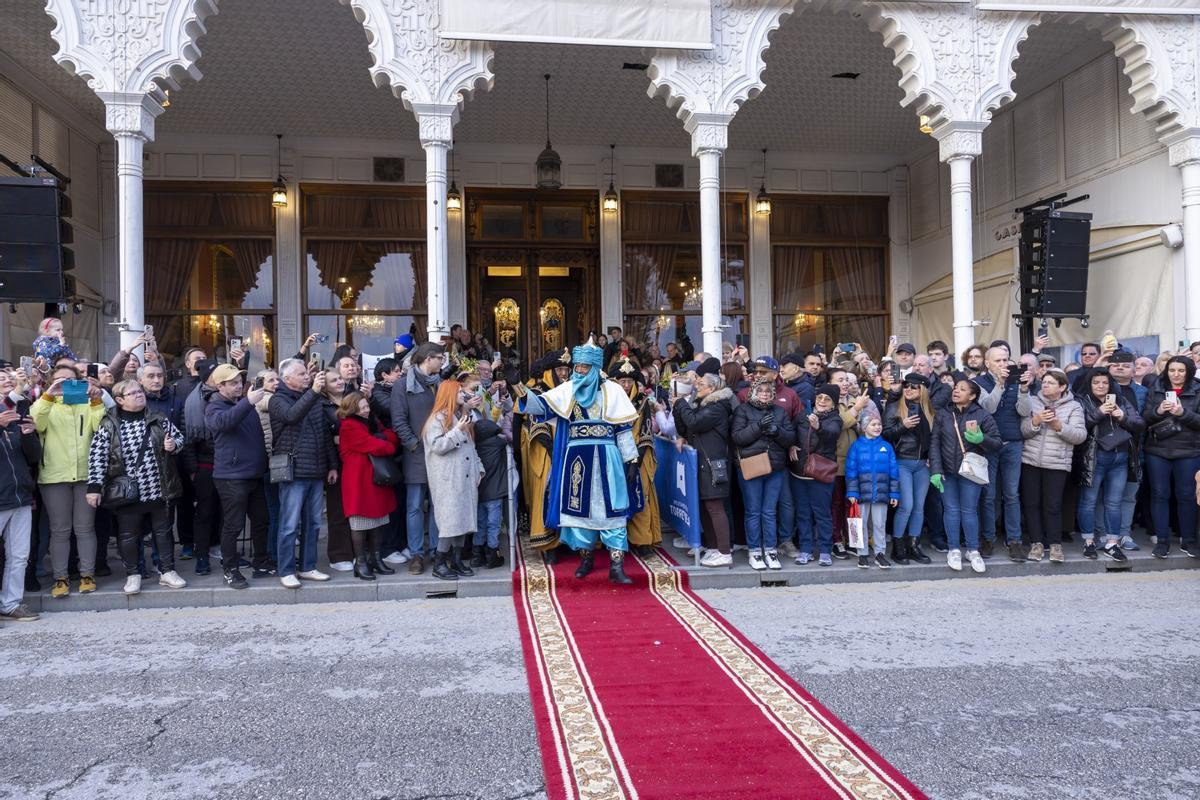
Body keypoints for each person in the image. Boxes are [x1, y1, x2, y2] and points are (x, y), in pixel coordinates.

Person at [515, 340, 641, 584]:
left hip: (608, 457)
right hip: (577, 461)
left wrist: (632, 460)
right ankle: (586, 559)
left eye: (584, 367)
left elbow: (623, 429)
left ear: (594, 368)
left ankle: (616, 566)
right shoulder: (568, 389)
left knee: (612, 507)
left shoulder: (613, 391)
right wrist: (517, 386)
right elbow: (539, 407)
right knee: (579, 509)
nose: (578, 371)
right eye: (577, 366)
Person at [85, 378, 187, 595]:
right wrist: (94, 487)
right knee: (129, 535)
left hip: (159, 487)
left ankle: (167, 571)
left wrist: (173, 445)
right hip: (128, 491)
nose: (139, 395)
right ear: (120, 400)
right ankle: (133, 574)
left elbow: (179, 438)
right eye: (132, 393)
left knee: (163, 532)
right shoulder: (109, 424)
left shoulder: (158, 418)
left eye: (139, 391)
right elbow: (97, 456)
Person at [33, 366, 105, 598]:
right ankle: (60, 578)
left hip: (86, 476)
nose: (66, 384)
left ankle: (87, 575)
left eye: (72, 380)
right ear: (51, 382)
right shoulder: (46, 404)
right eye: (60, 380)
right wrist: (48, 395)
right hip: (54, 477)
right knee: (59, 530)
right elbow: (36, 423)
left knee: (85, 528)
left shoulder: (88, 403)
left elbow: (101, 429)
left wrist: (96, 401)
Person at [269, 358, 337, 588]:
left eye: (306, 373)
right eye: (301, 374)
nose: (307, 377)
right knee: (290, 525)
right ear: (286, 379)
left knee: (314, 523)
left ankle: (308, 566)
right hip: (294, 470)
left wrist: (332, 465)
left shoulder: (312, 397)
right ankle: (286, 570)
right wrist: (314, 392)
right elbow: (291, 416)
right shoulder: (277, 399)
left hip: (316, 469)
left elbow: (324, 434)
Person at [204, 364, 272, 589]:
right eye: (233, 383)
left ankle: (261, 562)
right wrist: (248, 402)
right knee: (233, 526)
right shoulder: (214, 407)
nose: (239, 386)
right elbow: (224, 423)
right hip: (231, 477)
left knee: (261, 521)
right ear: (220, 386)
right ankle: (230, 570)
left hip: (254, 474)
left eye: (240, 382)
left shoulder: (244, 405)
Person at [929, 376, 1001, 574]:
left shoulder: (983, 415)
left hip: (971, 472)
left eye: (962, 389)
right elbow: (934, 444)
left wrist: (981, 439)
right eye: (956, 388)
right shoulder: (943, 414)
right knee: (951, 510)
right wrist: (936, 471)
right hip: (947, 472)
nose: (956, 391)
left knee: (969, 511)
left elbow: (997, 443)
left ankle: (972, 550)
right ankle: (953, 549)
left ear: (972, 396)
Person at [1075, 369, 1144, 562]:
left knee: (1114, 502)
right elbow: (1080, 426)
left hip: (1120, 457)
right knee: (1088, 501)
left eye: (1105, 383)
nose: (1101, 386)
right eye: (1096, 382)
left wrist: (1123, 417)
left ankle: (1112, 543)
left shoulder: (1121, 400)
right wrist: (1099, 413)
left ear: (1110, 384)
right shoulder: (1082, 401)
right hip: (1094, 457)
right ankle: (1088, 542)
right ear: (1090, 384)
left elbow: (1140, 424)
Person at [1019, 370, 1086, 563]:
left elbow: (1080, 436)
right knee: (1031, 504)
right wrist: (1035, 421)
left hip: (1057, 462)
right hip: (1030, 460)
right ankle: (1037, 543)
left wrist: (1058, 426)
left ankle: (1055, 544)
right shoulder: (1032, 401)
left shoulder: (1074, 406)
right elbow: (1022, 431)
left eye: (1050, 383)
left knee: (1053, 505)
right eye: (1044, 382)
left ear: (1062, 386)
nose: (1045, 385)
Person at [973, 346, 1034, 560]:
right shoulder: (978, 383)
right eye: (998, 360)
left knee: (1011, 494)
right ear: (987, 363)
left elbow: (1025, 411)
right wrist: (999, 384)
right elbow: (988, 408)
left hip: (1013, 443)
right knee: (989, 495)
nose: (1003, 364)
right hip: (988, 444)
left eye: (1006, 360)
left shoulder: (1017, 381)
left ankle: (1014, 540)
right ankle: (988, 538)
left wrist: (1024, 390)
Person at [731, 377, 796, 571]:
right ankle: (754, 551)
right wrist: (758, 427)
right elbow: (738, 437)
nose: (765, 394)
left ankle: (770, 549)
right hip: (751, 465)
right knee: (753, 511)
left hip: (775, 468)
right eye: (761, 391)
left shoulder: (780, 411)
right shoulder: (743, 410)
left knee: (769, 511)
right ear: (753, 392)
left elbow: (790, 438)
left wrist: (777, 432)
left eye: (768, 391)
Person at [423, 380, 485, 580]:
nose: (463, 395)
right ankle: (439, 563)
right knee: (450, 521)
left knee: (462, 520)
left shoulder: (459, 416)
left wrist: (479, 470)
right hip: (447, 480)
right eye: (459, 392)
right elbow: (438, 446)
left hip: (465, 477)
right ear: (449, 394)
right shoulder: (436, 419)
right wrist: (457, 430)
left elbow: (471, 446)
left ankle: (457, 561)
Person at [391, 342, 445, 574]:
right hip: (416, 454)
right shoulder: (403, 385)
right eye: (440, 358)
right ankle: (416, 554)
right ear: (428, 358)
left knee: (437, 505)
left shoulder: (440, 383)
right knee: (414, 506)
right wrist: (414, 445)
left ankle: (436, 551)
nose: (442, 362)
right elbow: (399, 421)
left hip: (440, 453)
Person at [673, 372, 735, 567]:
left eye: (701, 384)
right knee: (705, 507)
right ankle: (713, 547)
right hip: (701, 464)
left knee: (715, 507)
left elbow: (694, 422)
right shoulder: (702, 405)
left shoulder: (717, 407)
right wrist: (678, 409)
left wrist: (681, 403)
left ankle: (724, 552)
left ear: (712, 388)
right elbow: (686, 428)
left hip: (713, 465)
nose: (696, 387)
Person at [337, 391, 400, 580]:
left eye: (367, 406)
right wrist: (385, 442)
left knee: (378, 520)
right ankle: (361, 562)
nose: (366, 410)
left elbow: (391, 435)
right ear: (352, 409)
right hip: (359, 481)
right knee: (359, 523)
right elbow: (377, 445)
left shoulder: (370, 421)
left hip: (373, 479)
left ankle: (376, 559)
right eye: (362, 407)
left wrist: (383, 438)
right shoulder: (349, 425)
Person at [1142, 355, 1200, 558]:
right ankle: (1162, 541)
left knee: (1187, 496)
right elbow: (1145, 419)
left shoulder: (1198, 389)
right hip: (1158, 449)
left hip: (1189, 450)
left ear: (1189, 372)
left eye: (1181, 370)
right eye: (1172, 370)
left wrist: (1183, 413)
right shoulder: (1156, 387)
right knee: (1159, 494)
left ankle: (1188, 540)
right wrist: (1158, 410)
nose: (1176, 374)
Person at [517, 349, 571, 560]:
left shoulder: (571, 390)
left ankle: (568, 540)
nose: (564, 374)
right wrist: (552, 448)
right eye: (560, 369)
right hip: (546, 450)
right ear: (550, 371)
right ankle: (549, 544)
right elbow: (536, 422)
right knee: (546, 493)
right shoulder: (538, 391)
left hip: (569, 448)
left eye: (566, 369)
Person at [1095, 351, 1148, 550]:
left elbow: (1146, 419)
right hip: (1103, 449)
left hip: (1134, 449)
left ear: (1135, 370)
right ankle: (1103, 533)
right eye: (1115, 364)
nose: (1120, 367)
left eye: (1126, 365)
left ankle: (1124, 534)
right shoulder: (1098, 388)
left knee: (1128, 495)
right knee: (1102, 495)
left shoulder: (1143, 392)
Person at [882, 373, 935, 565]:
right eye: (906, 386)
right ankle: (898, 548)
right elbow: (885, 435)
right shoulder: (895, 407)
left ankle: (913, 545)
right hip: (902, 461)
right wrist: (903, 426)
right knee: (907, 506)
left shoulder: (929, 409)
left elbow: (934, 438)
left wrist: (932, 459)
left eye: (914, 386)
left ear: (923, 390)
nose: (909, 389)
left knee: (919, 507)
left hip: (923, 464)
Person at [611, 356, 661, 555]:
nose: (626, 385)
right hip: (613, 457)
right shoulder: (608, 401)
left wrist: (635, 462)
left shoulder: (642, 402)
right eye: (622, 381)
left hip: (639, 454)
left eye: (629, 381)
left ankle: (642, 541)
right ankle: (614, 542)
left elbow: (646, 434)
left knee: (641, 496)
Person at [0, 397, 42, 622]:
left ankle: (10, 604)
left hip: (20, 498)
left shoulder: (11, 419)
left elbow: (34, 458)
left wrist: (28, 435)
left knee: (19, 555)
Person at [792, 383, 842, 566]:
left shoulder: (835, 419)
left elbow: (832, 434)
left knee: (822, 513)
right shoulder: (803, 414)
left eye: (827, 399)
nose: (822, 401)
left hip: (820, 473)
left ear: (833, 404)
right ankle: (805, 550)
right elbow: (792, 432)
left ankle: (825, 550)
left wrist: (818, 426)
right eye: (820, 397)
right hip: (799, 472)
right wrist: (791, 445)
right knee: (803, 513)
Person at [844, 409, 899, 569]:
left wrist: (894, 493)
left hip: (881, 493)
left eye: (879, 424)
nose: (877, 427)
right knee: (860, 523)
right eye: (873, 424)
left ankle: (880, 553)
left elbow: (894, 472)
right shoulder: (856, 447)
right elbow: (851, 471)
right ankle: (862, 554)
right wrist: (852, 492)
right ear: (864, 427)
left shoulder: (886, 447)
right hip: (861, 493)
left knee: (880, 524)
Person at [465, 371, 508, 570]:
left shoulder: (474, 445)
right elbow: (503, 434)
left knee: (480, 522)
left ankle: (476, 556)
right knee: (493, 523)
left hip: (479, 491)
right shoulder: (497, 444)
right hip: (495, 492)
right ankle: (492, 554)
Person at [319, 367, 355, 571]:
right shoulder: (321, 405)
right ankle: (339, 555)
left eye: (340, 378)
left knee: (356, 508)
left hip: (357, 460)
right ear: (324, 387)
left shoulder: (352, 399)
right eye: (334, 380)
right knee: (337, 509)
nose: (340, 382)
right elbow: (324, 437)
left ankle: (358, 551)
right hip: (336, 462)